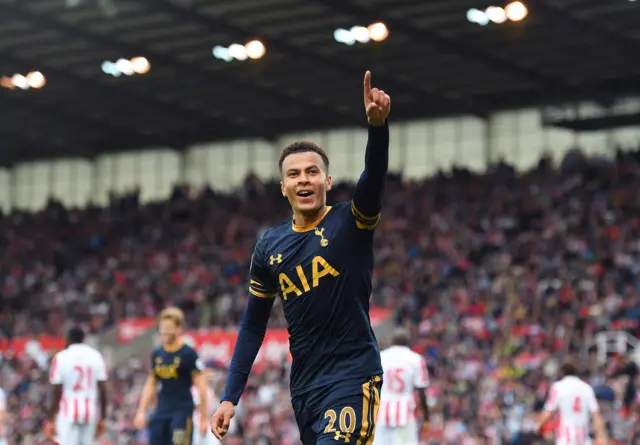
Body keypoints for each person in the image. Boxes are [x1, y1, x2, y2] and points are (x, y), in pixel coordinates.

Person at [210, 70, 391, 445]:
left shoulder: (351, 222)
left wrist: (377, 129)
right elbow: (252, 326)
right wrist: (230, 396)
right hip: (305, 387)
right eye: (294, 174)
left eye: (312, 172)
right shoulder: (269, 247)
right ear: (283, 187)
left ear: (327, 181)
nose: (304, 180)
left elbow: (373, 179)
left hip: (353, 375)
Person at [134, 307, 209, 445]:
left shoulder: (189, 354)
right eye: (162, 328)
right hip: (161, 412)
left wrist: (204, 418)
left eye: (168, 327)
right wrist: (141, 411)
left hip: (181, 413)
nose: (164, 332)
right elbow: (150, 384)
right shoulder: (158, 354)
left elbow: (202, 387)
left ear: (178, 328)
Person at [44, 326, 108, 445]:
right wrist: (103, 418)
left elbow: (56, 390)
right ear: (83, 339)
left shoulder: (61, 357)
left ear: (67, 340)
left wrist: (51, 418)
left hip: (68, 412)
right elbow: (103, 390)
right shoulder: (96, 356)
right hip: (90, 411)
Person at [373, 328, 429, 445]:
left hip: (383, 410)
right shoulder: (416, 359)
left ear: (392, 341)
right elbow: (421, 389)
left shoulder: (381, 357)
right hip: (406, 411)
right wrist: (426, 415)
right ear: (408, 341)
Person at [537, 361, 609, 445]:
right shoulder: (586, 388)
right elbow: (596, 415)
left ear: (561, 372)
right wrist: (601, 435)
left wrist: (538, 426)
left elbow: (548, 413)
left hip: (565, 437)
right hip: (582, 437)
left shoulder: (558, 387)